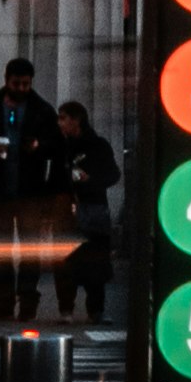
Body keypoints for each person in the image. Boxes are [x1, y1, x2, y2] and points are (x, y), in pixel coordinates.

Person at [0, 52, 56, 323]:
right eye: (17, 84)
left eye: (25, 84)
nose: (21, 89)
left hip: (30, 192)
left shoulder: (42, 110)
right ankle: (4, 304)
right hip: (0, 191)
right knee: (1, 251)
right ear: (7, 80)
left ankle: (27, 304)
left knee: (29, 251)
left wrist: (39, 147)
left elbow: (56, 144)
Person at [53, 98, 119, 328]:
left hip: (92, 207)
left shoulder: (97, 145)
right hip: (65, 207)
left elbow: (113, 174)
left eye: (63, 118)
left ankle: (96, 310)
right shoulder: (60, 146)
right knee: (65, 260)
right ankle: (66, 309)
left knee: (95, 261)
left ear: (76, 120)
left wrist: (91, 180)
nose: (60, 123)